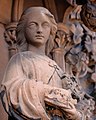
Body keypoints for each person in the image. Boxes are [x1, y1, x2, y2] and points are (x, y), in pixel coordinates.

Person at [0, 7, 82, 120]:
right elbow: (11, 90)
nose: (39, 30)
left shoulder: (57, 68)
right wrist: (49, 92)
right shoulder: (20, 59)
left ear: (51, 31)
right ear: (23, 29)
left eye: (45, 25)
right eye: (33, 25)